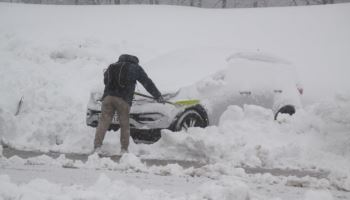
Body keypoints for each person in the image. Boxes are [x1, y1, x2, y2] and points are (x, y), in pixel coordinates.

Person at [94, 54, 164, 154]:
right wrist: (157, 95)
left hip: (107, 98)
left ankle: (97, 147)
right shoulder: (135, 68)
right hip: (123, 99)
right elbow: (147, 82)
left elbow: (106, 81)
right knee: (124, 125)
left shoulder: (112, 66)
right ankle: (124, 150)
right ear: (135, 61)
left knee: (103, 122)